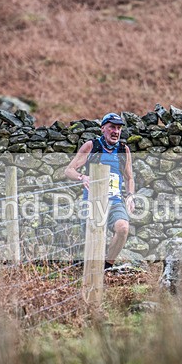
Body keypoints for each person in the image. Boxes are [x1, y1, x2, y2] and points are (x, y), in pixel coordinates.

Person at [65, 113, 135, 269]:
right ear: (103, 128)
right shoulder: (92, 146)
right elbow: (69, 170)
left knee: (123, 228)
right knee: (94, 244)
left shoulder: (124, 149)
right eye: (112, 127)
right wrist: (82, 177)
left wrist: (130, 196)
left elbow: (129, 178)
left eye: (118, 128)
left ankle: (107, 266)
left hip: (115, 201)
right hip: (92, 202)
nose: (116, 131)